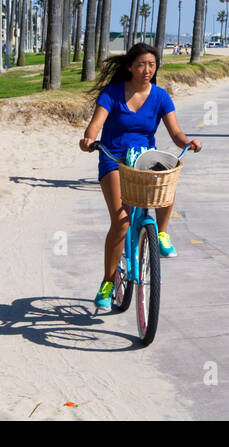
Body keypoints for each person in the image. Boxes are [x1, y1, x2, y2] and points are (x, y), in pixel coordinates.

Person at [79, 43, 201, 311]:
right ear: (129, 67)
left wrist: (188, 141)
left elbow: (175, 133)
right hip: (113, 158)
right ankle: (108, 282)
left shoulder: (160, 97)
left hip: (143, 159)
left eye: (152, 65)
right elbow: (96, 125)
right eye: (141, 65)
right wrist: (89, 139)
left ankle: (163, 233)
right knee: (121, 222)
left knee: (168, 174)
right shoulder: (112, 93)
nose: (147, 70)